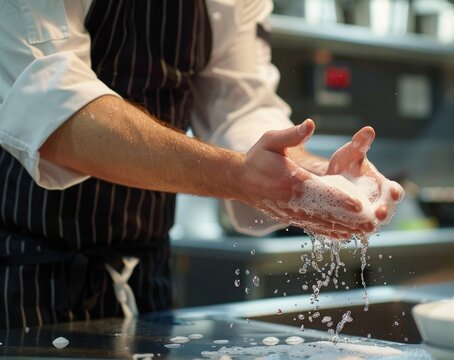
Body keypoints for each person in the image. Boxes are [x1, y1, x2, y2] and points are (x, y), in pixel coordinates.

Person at [0, 0, 403, 329]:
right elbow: (52, 107)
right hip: (22, 276)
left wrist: (313, 173)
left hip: (148, 277)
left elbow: (240, 110)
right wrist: (237, 177)